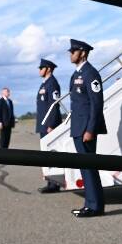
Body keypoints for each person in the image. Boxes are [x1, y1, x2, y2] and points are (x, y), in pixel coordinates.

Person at [67, 39, 106, 217]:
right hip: (78, 127)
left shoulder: (90, 73)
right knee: (85, 167)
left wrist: (90, 129)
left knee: (89, 167)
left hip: (85, 129)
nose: (70, 54)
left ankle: (95, 206)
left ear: (82, 52)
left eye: (73, 51)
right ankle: (89, 204)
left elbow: (96, 104)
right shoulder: (77, 74)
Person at [35, 58, 63, 193]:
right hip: (44, 124)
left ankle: (54, 184)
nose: (39, 70)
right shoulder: (44, 84)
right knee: (47, 154)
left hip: (49, 125)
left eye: (41, 68)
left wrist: (51, 124)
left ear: (48, 69)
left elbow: (54, 105)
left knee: (51, 154)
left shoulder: (52, 84)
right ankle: (51, 182)